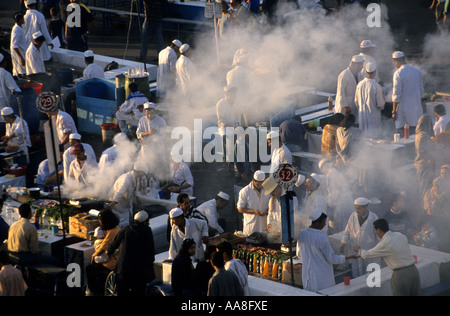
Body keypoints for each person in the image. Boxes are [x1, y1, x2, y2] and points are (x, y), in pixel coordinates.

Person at [354, 218, 421, 296]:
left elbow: (367, 254)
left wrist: (359, 249)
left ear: (379, 230)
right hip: (414, 271)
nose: (375, 233)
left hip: (401, 275)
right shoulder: (400, 235)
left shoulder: (385, 242)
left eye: (375, 230)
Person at [297, 210, 357, 292]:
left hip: (307, 274)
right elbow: (331, 258)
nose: (325, 225)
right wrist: (347, 257)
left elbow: (299, 253)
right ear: (317, 222)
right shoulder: (321, 237)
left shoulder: (302, 234)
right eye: (323, 222)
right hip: (321, 275)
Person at [106, 211, 155, 296]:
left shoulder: (126, 229)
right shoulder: (147, 231)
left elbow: (113, 244)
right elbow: (151, 249)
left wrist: (109, 251)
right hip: (139, 273)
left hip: (123, 271)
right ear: (144, 222)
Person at [339, 197, 380, 278]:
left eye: (358, 208)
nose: (356, 211)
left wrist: (380, 250)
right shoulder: (353, 216)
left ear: (365, 207)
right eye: (355, 208)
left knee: (370, 276)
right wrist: (343, 243)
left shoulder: (373, 217)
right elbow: (347, 230)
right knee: (357, 275)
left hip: (368, 251)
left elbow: (379, 236)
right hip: (355, 251)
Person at [85, 209, 120, 296]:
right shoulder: (116, 228)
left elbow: (102, 248)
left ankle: (93, 291)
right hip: (118, 259)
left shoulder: (112, 232)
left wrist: (93, 256)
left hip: (113, 263)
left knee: (89, 268)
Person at [391, 51, 424, 137]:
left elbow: (396, 94)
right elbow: (421, 92)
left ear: (396, 61)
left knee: (404, 136)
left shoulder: (398, 73)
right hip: (417, 109)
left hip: (404, 111)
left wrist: (394, 111)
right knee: (416, 135)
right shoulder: (417, 72)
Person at [318, 158, 353, 232]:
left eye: (322, 169)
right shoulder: (335, 172)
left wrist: (328, 202)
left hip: (340, 203)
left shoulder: (331, 175)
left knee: (339, 226)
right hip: (344, 201)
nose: (322, 171)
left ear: (324, 167)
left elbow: (334, 193)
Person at [262, 176, 300, 242]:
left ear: (278, 187)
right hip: (276, 234)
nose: (271, 194)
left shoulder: (291, 198)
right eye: (270, 192)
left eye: (273, 191)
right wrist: (269, 224)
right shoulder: (272, 199)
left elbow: (292, 217)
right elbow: (270, 214)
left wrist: (278, 227)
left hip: (288, 233)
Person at [354, 63, 385, 139]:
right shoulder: (377, 86)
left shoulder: (359, 85)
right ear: (375, 72)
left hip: (362, 118)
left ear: (366, 72)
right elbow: (381, 105)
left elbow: (356, 102)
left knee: (363, 140)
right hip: (373, 119)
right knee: (374, 139)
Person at [237, 170, 270, 236]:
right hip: (251, 225)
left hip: (264, 223)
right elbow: (240, 209)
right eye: (256, 181)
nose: (258, 184)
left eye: (260, 182)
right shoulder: (245, 191)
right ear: (253, 180)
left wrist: (268, 210)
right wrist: (254, 211)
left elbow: (272, 203)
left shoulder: (268, 189)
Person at [414, 114, 439, 201]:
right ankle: (425, 207)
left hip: (423, 164)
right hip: (424, 165)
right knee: (425, 188)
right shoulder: (423, 135)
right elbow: (423, 150)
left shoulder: (420, 134)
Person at [10, 12, 28, 77]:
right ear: (20, 20)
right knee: (20, 72)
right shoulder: (16, 30)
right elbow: (14, 46)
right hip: (19, 54)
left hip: (22, 52)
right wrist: (21, 58)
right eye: (22, 19)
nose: (24, 20)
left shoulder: (20, 28)